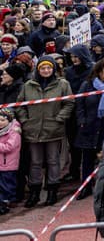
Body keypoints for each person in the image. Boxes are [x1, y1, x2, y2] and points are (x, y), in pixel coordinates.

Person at [16, 54, 74, 207]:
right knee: (35, 162)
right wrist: (25, 121)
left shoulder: (62, 84)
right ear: (38, 69)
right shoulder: (28, 85)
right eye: (43, 68)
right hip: (33, 129)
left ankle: (52, 190)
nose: (46, 70)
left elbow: (69, 103)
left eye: (49, 67)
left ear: (53, 69)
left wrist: (60, 118)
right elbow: (20, 105)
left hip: (53, 129)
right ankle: (35, 192)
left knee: (53, 160)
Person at [74, 58, 104, 200]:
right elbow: (80, 104)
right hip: (89, 126)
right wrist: (82, 121)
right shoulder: (87, 85)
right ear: (99, 70)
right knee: (87, 158)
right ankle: (86, 186)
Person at [0, 108, 21, 215]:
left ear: (9, 120)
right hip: (1, 164)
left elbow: (10, 147)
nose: (0, 123)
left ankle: (7, 202)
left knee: (7, 184)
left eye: (2, 120)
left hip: (8, 164)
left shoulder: (14, 132)